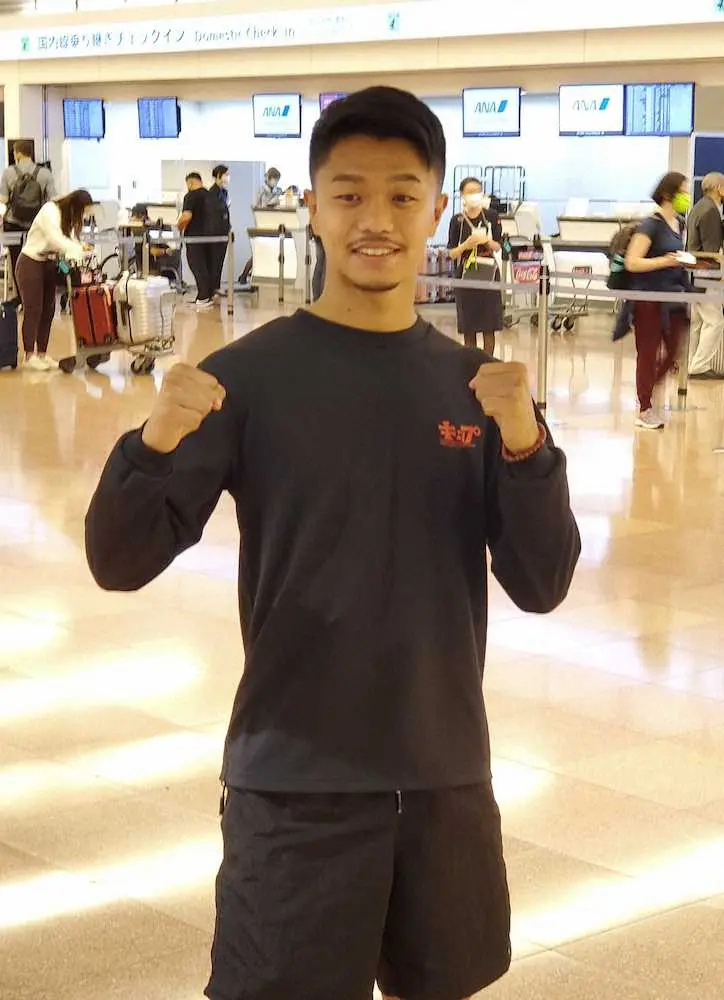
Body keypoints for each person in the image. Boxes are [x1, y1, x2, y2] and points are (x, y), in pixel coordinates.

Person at [85, 87, 580, 1000]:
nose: (375, 219)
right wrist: (152, 444)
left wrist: (527, 448)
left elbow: (542, 581)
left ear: (437, 210)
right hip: (293, 783)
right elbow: (118, 560)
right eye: (349, 194)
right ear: (312, 208)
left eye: (402, 195)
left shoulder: (480, 389)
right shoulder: (247, 379)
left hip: (444, 777)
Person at [625, 171, 692, 430]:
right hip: (649, 299)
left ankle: (648, 389)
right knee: (648, 352)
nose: (686, 196)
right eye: (683, 191)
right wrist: (665, 261)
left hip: (673, 297)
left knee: (674, 349)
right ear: (667, 193)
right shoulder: (650, 225)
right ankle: (644, 407)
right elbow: (633, 262)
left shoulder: (680, 224)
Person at [15, 188, 92, 371]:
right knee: (33, 309)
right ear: (75, 205)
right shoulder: (50, 210)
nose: (82, 216)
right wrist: (76, 249)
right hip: (31, 261)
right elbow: (54, 239)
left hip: (49, 263)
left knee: (48, 310)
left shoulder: (67, 217)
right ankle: (29, 355)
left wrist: (82, 247)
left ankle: (42, 354)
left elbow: (70, 239)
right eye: (82, 211)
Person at [447, 177, 504, 355]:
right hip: (465, 274)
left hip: (488, 272)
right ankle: (470, 364)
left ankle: (487, 363)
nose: (474, 195)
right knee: (469, 327)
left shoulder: (491, 216)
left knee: (489, 326)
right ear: (462, 195)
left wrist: (485, 240)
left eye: (477, 191)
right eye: (470, 192)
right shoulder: (457, 220)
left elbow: (498, 246)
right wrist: (467, 244)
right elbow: (451, 253)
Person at [0, 140, 56, 304]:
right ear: (31, 153)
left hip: (14, 224)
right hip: (38, 225)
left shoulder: (8, 173)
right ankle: (37, 297)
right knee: (39, 260)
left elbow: (3, 200)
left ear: (17, 153)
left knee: (17, 262)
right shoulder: (45, 173)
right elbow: (53, 200)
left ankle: (21, 298)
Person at [686, 171, 724, 380]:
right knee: (715, 321)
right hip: (706, 274)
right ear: (719, 188)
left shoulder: (698, 207)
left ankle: (692, 363)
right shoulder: (711, 211)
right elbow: (711, 249)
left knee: (698, 322)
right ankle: (699, 366)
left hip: (695, 273)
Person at [178, 172, 214, 311]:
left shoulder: (191, 196)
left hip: (194, 236)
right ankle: (207, 295)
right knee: (207, 266)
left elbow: (186, 217)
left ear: (190, 182)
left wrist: (179, 226)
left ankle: (203, 297)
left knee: (196, 265)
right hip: (210, 237)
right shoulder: (210, 195)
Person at [208, 164, 231, 298]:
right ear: (218, 176)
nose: (228, 177)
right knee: (214, 261)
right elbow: (215, 213)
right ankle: (212, 288)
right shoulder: (212, 193)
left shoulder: (224, 192)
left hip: (224, 231)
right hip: (215, 233)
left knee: (220, 261)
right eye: (226, 175)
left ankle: (216, 287)